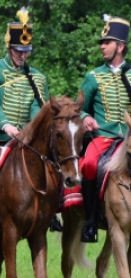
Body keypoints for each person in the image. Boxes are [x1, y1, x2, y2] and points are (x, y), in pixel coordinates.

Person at [0, 7, 62, 232]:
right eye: (18, 50)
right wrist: (5, 125)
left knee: (54, 164)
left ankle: (52, 213)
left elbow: (37, 110)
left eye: (25, 50)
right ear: (9, 47)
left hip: (26, 137)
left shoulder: (37, 77)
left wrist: (29, 131)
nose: (22, 55)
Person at [79, 15, 131, 243]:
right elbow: (78, 108)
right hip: (105, 137)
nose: (102, 47)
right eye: (102, 42)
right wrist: (86, 117)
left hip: (130, 137)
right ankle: (91, 220)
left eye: (106, 42)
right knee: (89, 164)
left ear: (120, 46)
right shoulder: (93, 76)